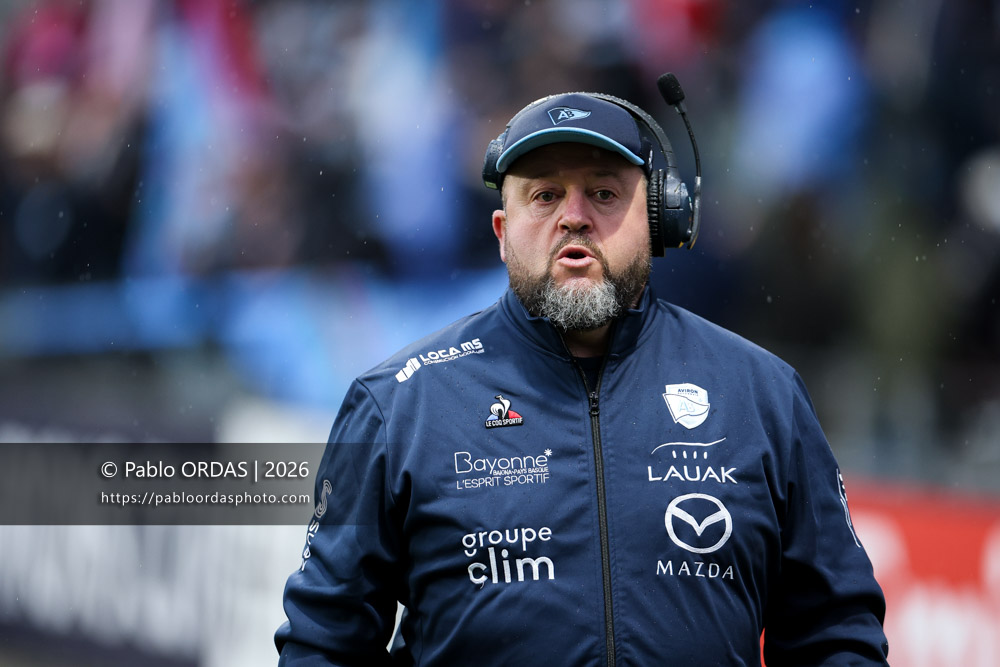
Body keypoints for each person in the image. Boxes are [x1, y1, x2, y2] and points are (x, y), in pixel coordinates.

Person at [275, 84, 889, 665]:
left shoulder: (762, 394)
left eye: (603, 193)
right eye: (543, 196)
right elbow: (323, 644)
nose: (573, 217)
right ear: (502, 232)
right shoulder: (399, 404)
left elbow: (836, 634)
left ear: (659, 221)